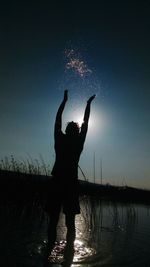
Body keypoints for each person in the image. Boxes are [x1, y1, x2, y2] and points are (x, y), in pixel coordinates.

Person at [45, 90, 95, 266]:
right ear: (76, 131)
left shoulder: (60, 139)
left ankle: (51, 252)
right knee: (69, 222)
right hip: (68, 184)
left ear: (67, 131)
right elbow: (86, 123)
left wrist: (64, 101)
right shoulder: (77, 142)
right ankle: (67, 255)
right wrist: (88, 105)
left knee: (55, 220)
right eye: (76, 129)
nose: (76, 129)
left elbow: (58, 120)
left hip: (59, 182)